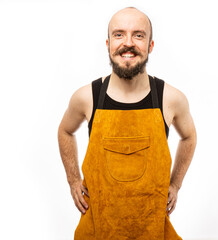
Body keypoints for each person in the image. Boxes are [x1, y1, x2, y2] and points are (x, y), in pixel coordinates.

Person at [58, 7, 197, 240]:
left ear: (151, 46)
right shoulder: (87, 97)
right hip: (99, 230)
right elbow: (65, 130)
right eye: (119, 34)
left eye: (139, 35)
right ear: (108, 44)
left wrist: (176, 184)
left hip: (152, 230)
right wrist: (73, 180)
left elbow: (189, 137)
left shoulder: (171, 99)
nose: (128, 43)